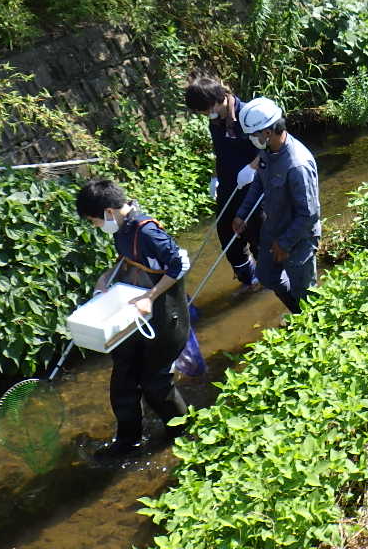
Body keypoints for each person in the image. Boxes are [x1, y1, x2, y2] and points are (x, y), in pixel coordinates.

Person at [76, 179, 190, 460]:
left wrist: (151, 296)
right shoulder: (122, 230)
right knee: (123, 379)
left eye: (94, 221)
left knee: (155, 383)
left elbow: (179, 264)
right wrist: (105, 280)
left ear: (109, 213)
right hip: (134, 311)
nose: (96, 226)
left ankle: (184, 437)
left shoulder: (148, 232)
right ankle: (128, 441)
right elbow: (126, 261)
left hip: (165, 317)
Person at [230, 97, 320, 314]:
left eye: (253, 135)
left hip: (299, 238)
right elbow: (259, 183)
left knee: (306, 293)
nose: (251, 139)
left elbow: (308, 215)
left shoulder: (297, 165)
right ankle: (297, 313)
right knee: (267, 276)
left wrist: (285, 244)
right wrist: (242, 214)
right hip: (274, 229)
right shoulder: (268, 152)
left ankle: (311, 325)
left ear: (267, 132)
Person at [184, 75, 262, 295]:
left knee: (257, 235)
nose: (205, 115)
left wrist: (253, 168)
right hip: (228, 185)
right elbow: (219, 152)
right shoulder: (215, 120)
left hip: (253, 186)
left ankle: (270, 280)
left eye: (206, 109)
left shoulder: (248, 115)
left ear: (219, 98)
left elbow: (270, 147)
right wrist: (214, 177)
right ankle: (249, 280)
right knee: (227, 235)